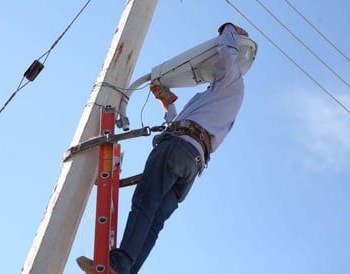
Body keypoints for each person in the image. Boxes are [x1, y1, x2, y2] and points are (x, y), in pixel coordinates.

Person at [77, 22, 251, 274]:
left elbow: (227, 56)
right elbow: (181, 124)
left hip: (177, 149)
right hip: (190, 163)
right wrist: (167, 102)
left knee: (144, 204)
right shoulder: (216, 99)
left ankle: (118, 264)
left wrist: (229, 30)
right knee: (154, 220)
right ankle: (126, 270)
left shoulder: (231, 82)